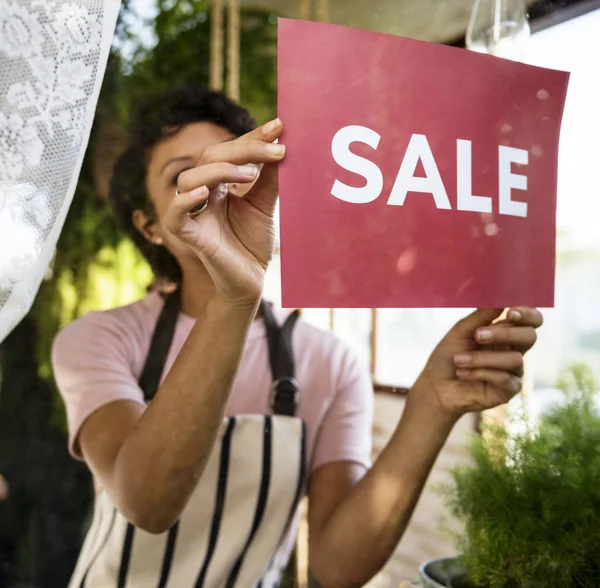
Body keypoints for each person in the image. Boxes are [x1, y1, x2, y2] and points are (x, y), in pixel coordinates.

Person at [52, 86, 543, 588]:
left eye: (236, 168)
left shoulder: (329, 362)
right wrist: (235, 297)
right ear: (150, 224)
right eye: (186, 176)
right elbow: (148, 503)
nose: (216, 187)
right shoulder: (97, 340)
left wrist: (432, 404)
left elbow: (334, 568)